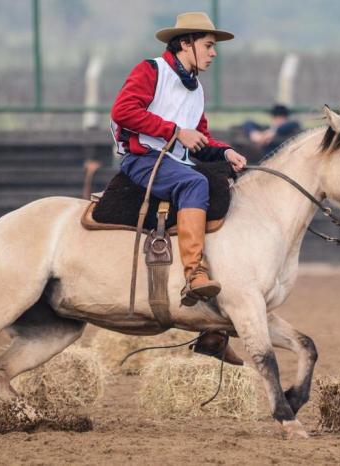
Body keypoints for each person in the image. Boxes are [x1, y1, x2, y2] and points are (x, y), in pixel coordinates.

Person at [111, 12, 246, 364]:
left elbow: (199, 136)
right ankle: (194, 273)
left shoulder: (196, 87)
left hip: (174, 160)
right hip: (142, 160)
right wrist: (173, 131)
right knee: (194, 182)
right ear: (185, 43)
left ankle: (214, 323)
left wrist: (225, 150)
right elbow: (123, 111)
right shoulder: (151, 70)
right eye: (208, 45)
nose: (214, 53)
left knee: (221, 182)